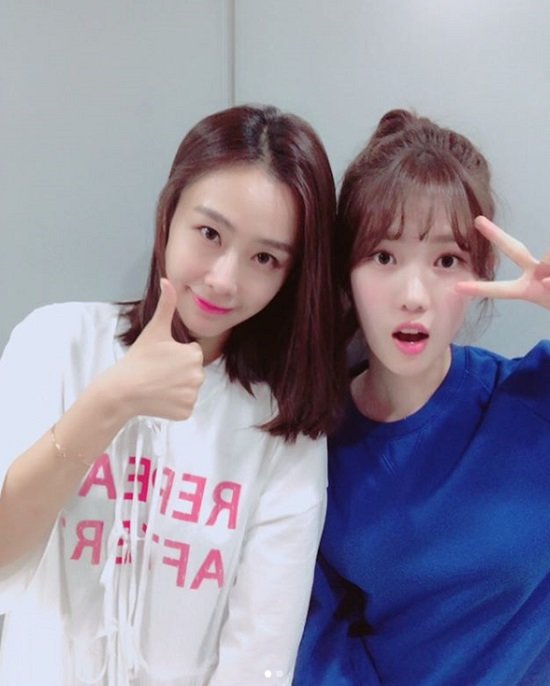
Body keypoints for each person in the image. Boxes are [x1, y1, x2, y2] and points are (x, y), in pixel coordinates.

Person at [0, 104, 346, 685]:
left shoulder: (281, 423)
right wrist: (109, 402)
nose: (224, 279)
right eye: (210, 234)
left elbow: (257, 656)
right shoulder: (56, 344)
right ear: (170, 214)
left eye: (264, 258)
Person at [294, 109, 550, 685]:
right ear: (345, 270)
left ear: (483, 272)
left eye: (446, 261)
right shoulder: (311, 449)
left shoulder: (534, 398)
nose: (414, 295)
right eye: (383, 257)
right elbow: (316, 648)